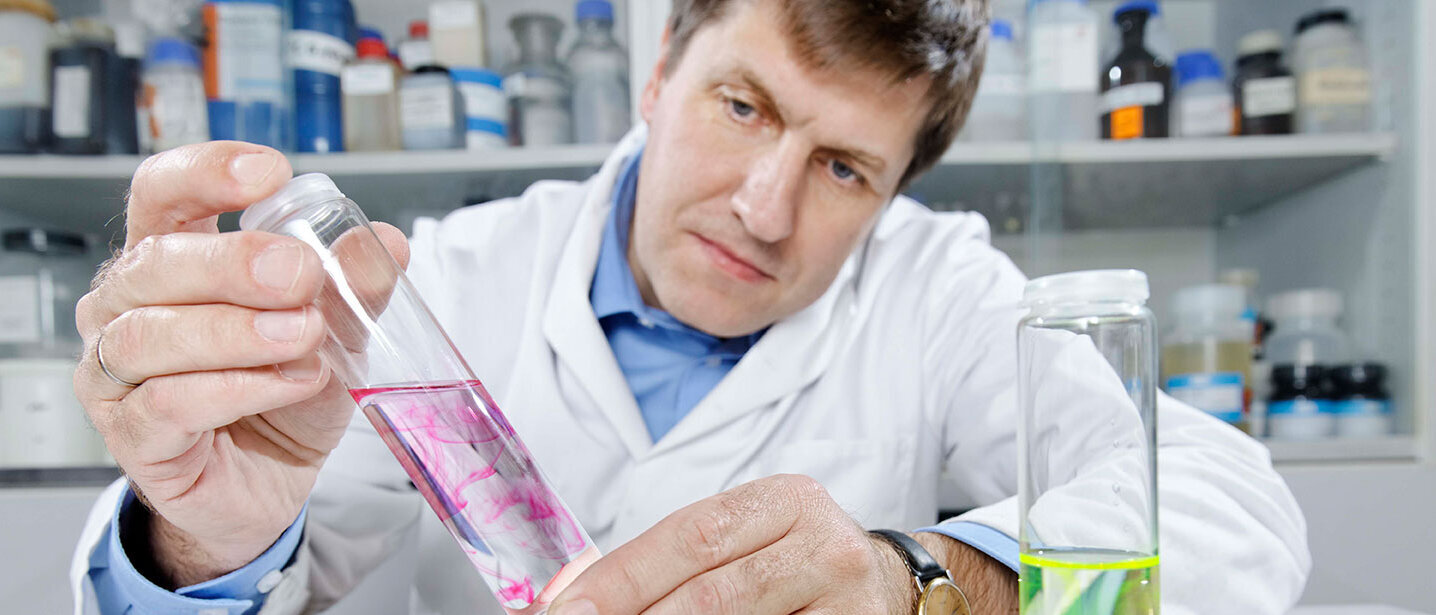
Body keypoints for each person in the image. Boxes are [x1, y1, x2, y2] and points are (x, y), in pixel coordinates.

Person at [70, 0, 1310, 613]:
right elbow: (272, 572)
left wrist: (923, 581)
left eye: (843, 169)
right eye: (743, 106)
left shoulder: (940, 288)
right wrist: (200, 545)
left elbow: (1226, 509)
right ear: (659, 72)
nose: (764, 209)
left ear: (895, 191)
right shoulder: (443, 282)